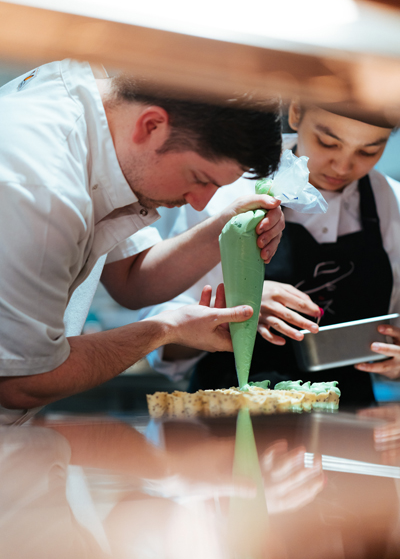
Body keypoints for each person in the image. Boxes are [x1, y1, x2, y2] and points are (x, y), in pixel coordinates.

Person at [0, 59, 285, 420]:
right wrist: (165, 330)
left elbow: (132, 278)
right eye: (199, 178)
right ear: (151, 125)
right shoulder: (43, 184)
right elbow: (22, 380)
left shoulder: (98, 113)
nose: (201, 201)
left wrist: (224, 228)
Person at [141, 100, 400, 406]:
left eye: (368, 151)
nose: (343, 166)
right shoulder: (228, 188)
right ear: (296, 112)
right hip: (232, 418)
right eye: (327, 142)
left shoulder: (392, 205)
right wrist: (238, 308)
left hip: (349, 423)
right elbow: (162, 341)